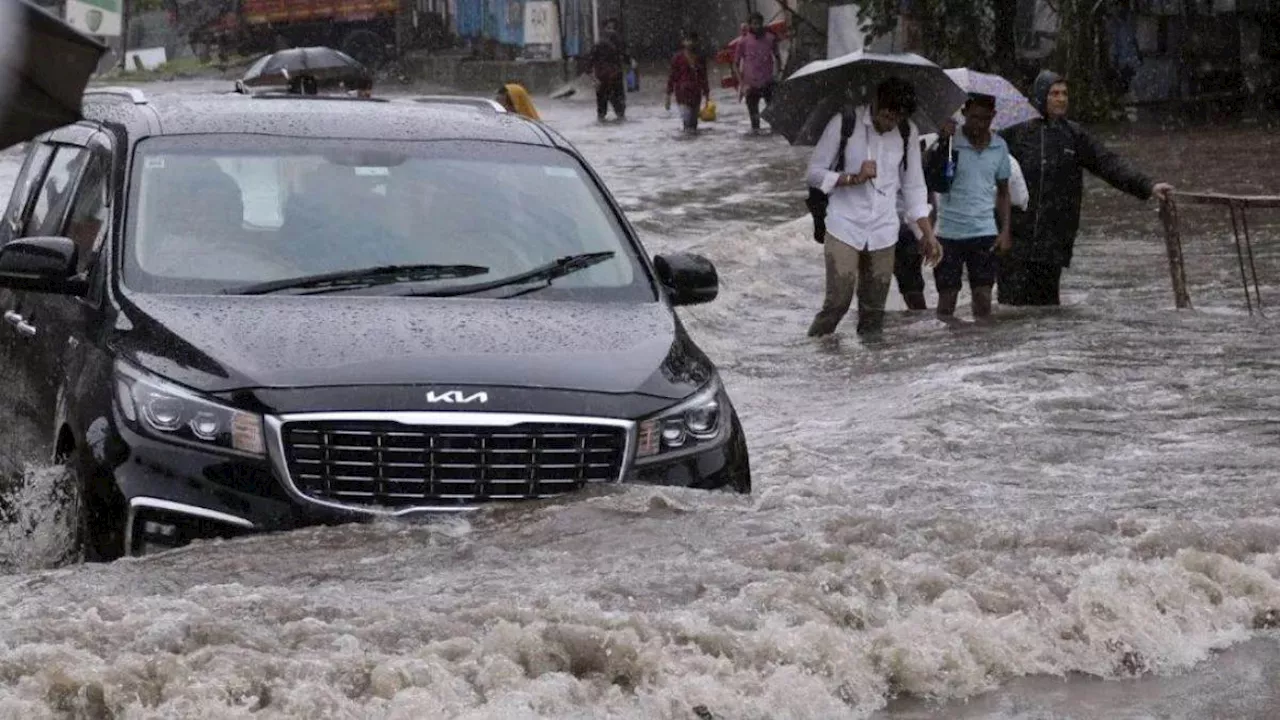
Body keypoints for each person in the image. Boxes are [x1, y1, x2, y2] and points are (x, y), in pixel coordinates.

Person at [998, 70, 1173, 306]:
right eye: (1054, 94)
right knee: (1011, 308)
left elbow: (1108, 163)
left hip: (1053, 242)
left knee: (1046, 314)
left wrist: (1147, 186)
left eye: (1064, 94)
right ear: (1040, 96)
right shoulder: (1015, 132)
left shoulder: (1073, 135)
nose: (1061, 99)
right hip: (1015, 238)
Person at [805, 77, 943, 338]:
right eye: (887, 116)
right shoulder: (845, 123)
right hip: (843, 224)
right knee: (837, 303)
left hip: (883, 229)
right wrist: (851, 178)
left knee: (874, 312)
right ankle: (815, 360)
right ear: (875, 102)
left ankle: (870, 371)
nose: (890, 123)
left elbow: (914, 188)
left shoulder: (907, 132)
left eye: (897, 118)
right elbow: (813, 173)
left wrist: (927, 234)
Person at [927, 93, 1012, 321]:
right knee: (947, 301)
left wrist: (1005, 231)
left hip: (984, 232)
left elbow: (1004, 192)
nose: (979, 124)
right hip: (948, 234)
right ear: (964, 114)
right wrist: (942, 140)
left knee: (984, 300)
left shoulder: (1000, 146)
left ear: (993, 116)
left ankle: (980, 352)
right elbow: (929, 180)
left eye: (985, 119)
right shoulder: (950, 142)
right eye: (974, 118)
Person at [734, 12, 781, 135]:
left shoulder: (770, 38)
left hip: (768, 82)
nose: (757, 26)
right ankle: (757, 147)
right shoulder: (743, 42)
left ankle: (773, 146)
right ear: (750, 25)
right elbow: (735, 64)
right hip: (751, 85)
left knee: (774, 120)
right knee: (755, 122)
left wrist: (777, 75)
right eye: (754, 24)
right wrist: (742, 83)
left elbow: (777, 57)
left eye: (759, 23)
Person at [665, 32, 711, 135]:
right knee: (687, 121)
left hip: (696, 94)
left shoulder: (700, 58)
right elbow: (672, 77)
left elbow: (704, 77)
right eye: (688, 40)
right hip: (682, 95)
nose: (691, 43)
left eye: (693, 40)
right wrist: (668, 96)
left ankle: (693, 147)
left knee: (694, 124)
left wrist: (707, 95)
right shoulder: (677, 58)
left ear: (697, 42)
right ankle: (687, 144)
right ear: (683, 42)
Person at [587, 18, 631, 122]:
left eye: (613, 28)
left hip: (610, 80)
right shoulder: (600, 46)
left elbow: (588, 66)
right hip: (608, 80)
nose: (611, 30)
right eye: (609, 28)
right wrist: (595, 80)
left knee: (612, 111)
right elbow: (588, 66)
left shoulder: (616, 44)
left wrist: (594, 79)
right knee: (611, 111)